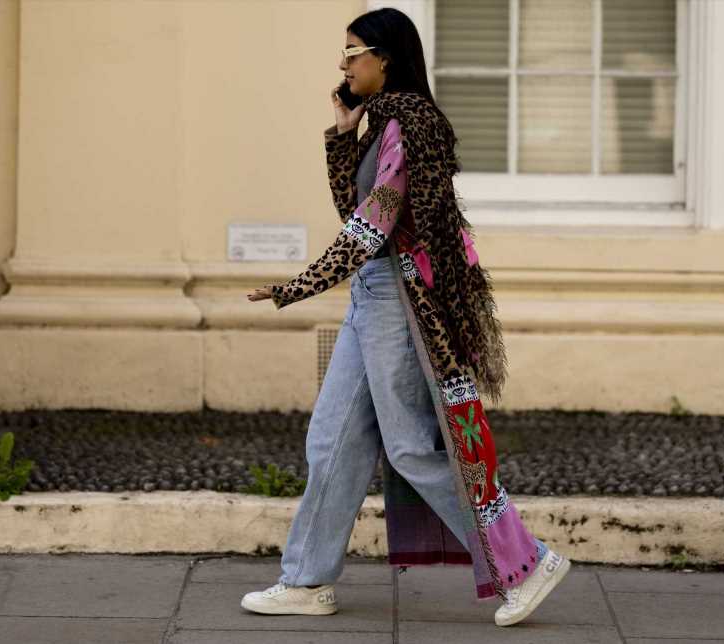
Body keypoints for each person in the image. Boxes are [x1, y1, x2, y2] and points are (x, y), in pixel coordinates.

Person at [243, 8, 571, 627]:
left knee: (412, 447)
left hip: (395, 301)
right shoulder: (379, 124)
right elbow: (357, 210)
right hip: (371, 295)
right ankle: (306, 580)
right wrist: (343, 135)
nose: (344, 66)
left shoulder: (410, 121)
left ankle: (525, 562)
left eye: (352, 52)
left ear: (384, 57)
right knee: (331, 441)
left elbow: (372, 227)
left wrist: (298, 286)